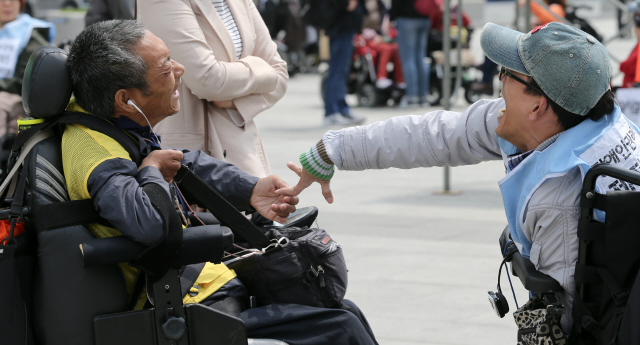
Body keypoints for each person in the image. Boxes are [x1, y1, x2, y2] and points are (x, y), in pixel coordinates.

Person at [281, 22, 626, 336]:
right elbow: (437, 135)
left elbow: (568, 321)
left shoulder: (563, 198)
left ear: (537, 107)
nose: (499, 80)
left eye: (507, 73)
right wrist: (332, 150)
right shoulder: (580, 118)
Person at [65, 20, 378, 345]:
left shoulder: (103, 122)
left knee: (345, 312)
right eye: (165, 69)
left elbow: (183, 163)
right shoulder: (98, 156)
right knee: (340, 326)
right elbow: (151, 227)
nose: (179, 69)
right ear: (125, 99)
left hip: (204, 284)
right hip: (182, 302)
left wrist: (250, 190)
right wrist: (152, 171)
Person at [137, 0, 288, 178]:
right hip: (194, 154)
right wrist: (261, 69)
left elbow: (280, 75)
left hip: (243, 145)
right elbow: (208, 80)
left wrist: (228, 97)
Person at [0, 0, 53, 139]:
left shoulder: (30, 33)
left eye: (12, 0)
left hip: (14, 93)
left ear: (21, 4)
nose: (7, 4)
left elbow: (25, 79)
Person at [322, 0, 366, 126]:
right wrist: (346, 4)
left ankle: (342, 108)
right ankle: (331, 112)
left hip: (344, 24)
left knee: (342, 70)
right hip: (340, 24)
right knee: (337, 70)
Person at [390, 0, 433, 107]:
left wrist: (391, 17)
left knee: (408, 58)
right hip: (424, 17)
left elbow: (396, 4)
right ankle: (423, 96)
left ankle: (412, 97)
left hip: (407, 18)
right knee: (421, 58)